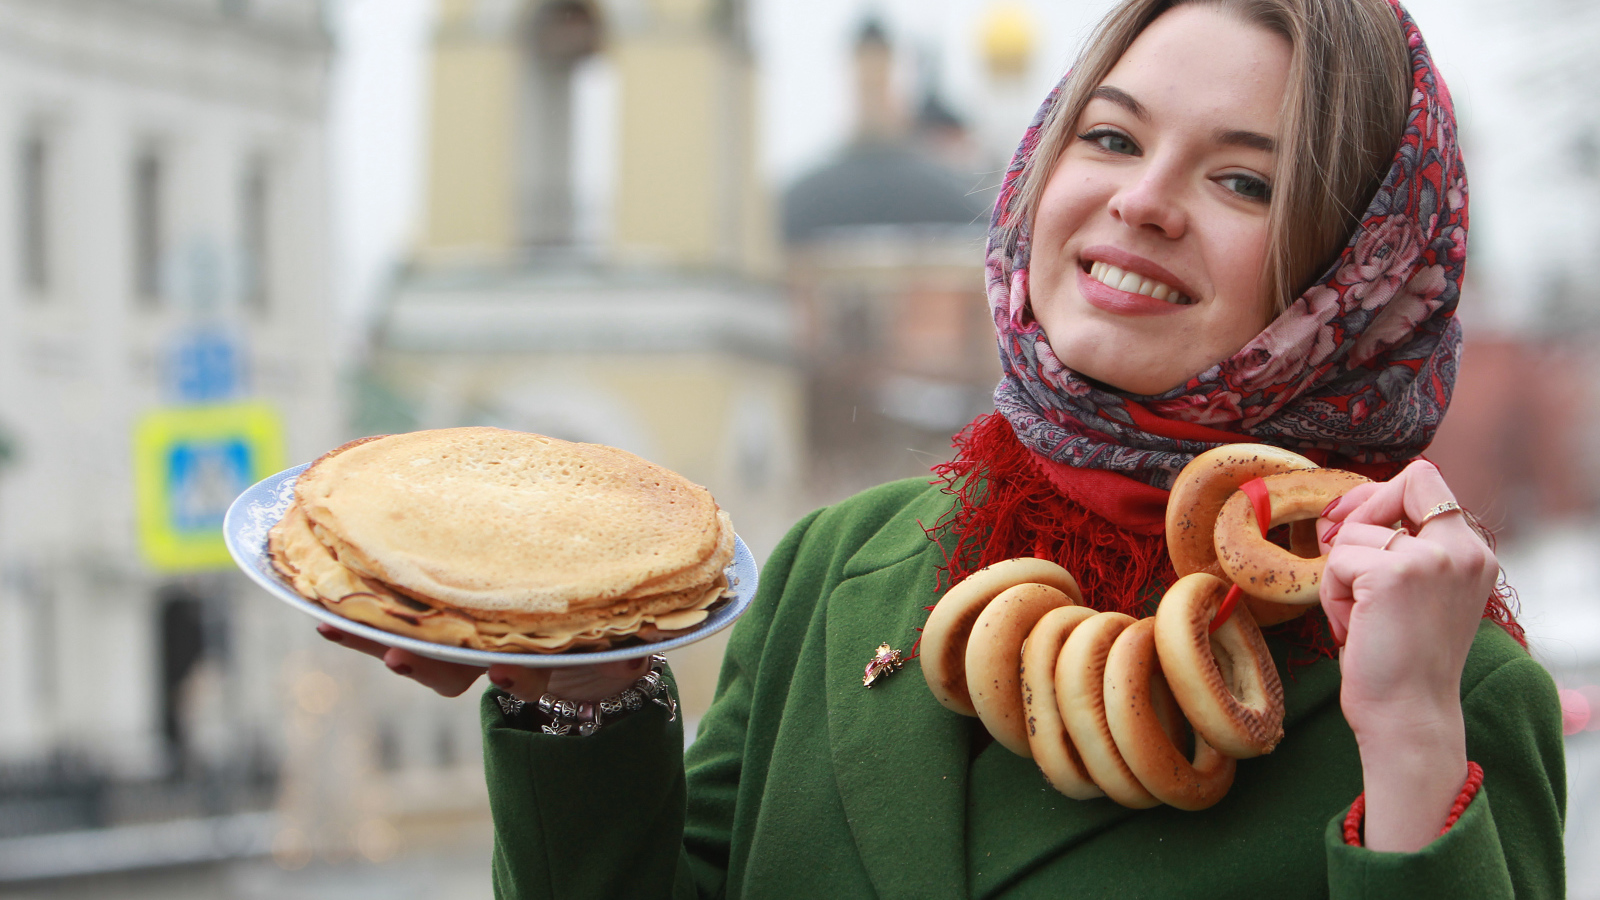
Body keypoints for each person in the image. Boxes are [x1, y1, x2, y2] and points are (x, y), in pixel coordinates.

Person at [319, 0, 1566, 896]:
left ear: (1358, 271)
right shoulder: (836, 568)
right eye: (1113, 137)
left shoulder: (1431, 676)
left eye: (1244, 182)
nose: (1140, 199)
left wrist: (1403, 736)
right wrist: (576, 690)